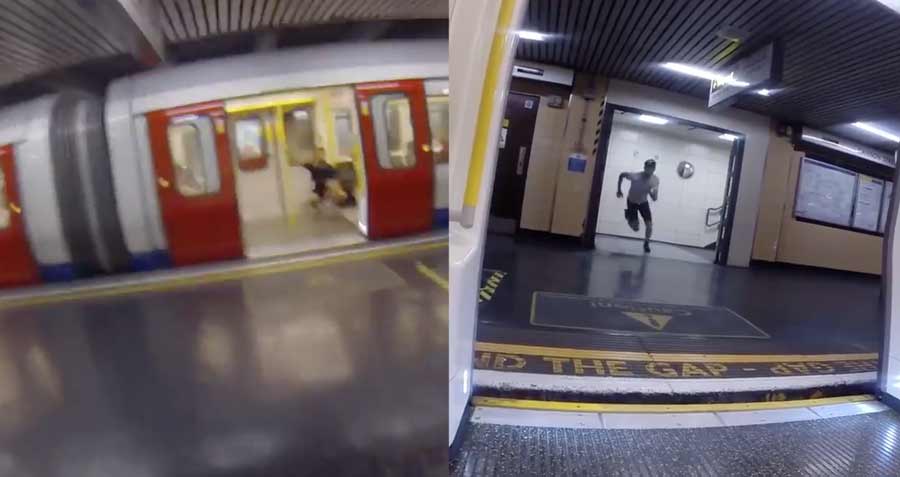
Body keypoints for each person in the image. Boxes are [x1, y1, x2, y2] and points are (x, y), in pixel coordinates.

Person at [616, 158, 659, 253]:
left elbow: (655, 198)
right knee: (636, 228)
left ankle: (646, 243)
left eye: (652, 168)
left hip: (643, 203)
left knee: (649, 225)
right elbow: (621, 175)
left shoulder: (655, 180)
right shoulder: (635, 176)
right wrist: (619, 190)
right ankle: (629, 216)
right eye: (648, 167)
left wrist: (651, 192)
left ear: (654, 169)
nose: (649, 170)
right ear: (644, 167)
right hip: (632, 202)